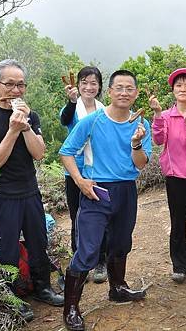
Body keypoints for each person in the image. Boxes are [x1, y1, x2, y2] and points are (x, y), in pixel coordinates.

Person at [59, 69, 152, 331]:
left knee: (122, 242)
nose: (124, 93)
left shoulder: (141, 124)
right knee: (88, 249)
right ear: (109, 91)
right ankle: (71, 309)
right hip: (96, 190)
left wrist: (136, 144)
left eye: (129, 88)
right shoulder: (93, 120)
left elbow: (142, 164)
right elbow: (66, 152)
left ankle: (118, 288)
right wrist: (79, 180)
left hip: (126, 190)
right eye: (118, 88)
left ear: (135, 93)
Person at [0, 59, 64, 322]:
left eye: (20, 84)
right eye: (9, 84)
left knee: (38, 244)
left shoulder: (31, 116)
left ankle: (42, 287)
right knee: (6, 251)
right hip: (1, 196)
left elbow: (39, 153)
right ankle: (10, 299)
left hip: (30, 191)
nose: (16, 90)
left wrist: (25, 127)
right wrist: (12, 130)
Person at [148, 68, 186, 286]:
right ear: (172, 90)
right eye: (179, 85)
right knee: (178, 222)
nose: (183, 89)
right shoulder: (165, 115)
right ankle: (179, 266)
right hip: (174, 177)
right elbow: (158, 140)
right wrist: (156, 114)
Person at [60, 66, 108, 283]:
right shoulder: (72, 109)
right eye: (84, 83)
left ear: (99, 87)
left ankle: (100, 261)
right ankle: (79, 260)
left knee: (100, 216)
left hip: (98, 169)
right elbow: (65, 119)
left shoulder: (103, 109)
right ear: (78, 86)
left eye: (93, 83)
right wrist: (71, 101)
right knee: (77, 216)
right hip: (75, 172)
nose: (89, 87)